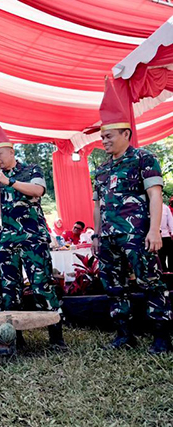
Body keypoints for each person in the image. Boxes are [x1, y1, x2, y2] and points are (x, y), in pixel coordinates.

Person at [91, 79, 171, 354]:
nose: (104, 141)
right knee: (113, 286)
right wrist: (96, 235)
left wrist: (155, 230)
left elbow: (155, 195)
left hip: (138, 236)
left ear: (126, 133)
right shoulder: (101, 170)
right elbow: (97, 205)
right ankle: (124, 334)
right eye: (102, 137)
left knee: (151, 282)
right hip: (109, 239)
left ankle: (162, 335)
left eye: (109, 136)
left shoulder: (143, 159)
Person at [0, 117, 65, 348]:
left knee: (41, 285)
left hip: (32, 240)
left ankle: (56, 336)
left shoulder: (30, 170)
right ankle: (15, 338)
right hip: (6, 242)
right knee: (10, 289)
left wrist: (9, 181)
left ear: (11, 150)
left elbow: (38, 190)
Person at [159, 201, 173, 272]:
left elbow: (170, 221)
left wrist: (172, 232)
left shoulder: (165, 207)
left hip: (166, 235)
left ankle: (171, 271)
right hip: (156, 237)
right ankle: (163, 271)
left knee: (170, 254)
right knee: (161, 257)